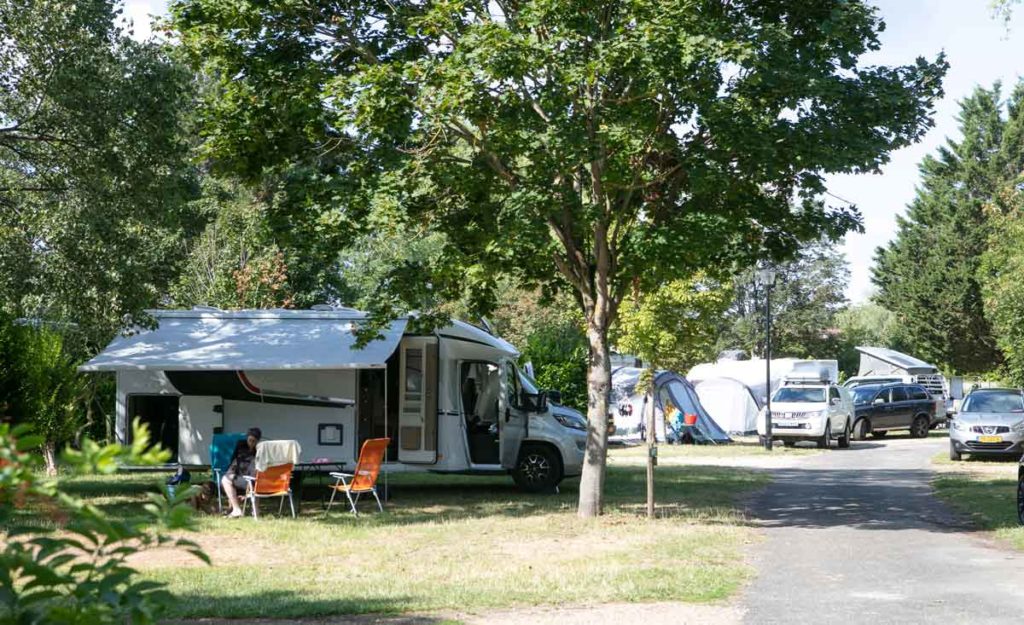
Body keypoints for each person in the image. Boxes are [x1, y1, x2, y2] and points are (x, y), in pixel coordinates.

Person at [221, 427, 261, 518]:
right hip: (241, 477)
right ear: (247, 438)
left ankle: (237, 510)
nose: (251, 443)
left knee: (225, 480)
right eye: (249, 440)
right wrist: (230, 472)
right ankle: (237, 509)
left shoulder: (259, 450)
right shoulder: (241, 445)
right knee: (226, 479)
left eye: (254, 441)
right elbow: (234, 460)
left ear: (257, 441)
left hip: (252, 480)